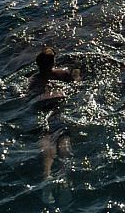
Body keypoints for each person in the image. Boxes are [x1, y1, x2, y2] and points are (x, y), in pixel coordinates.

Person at [28, 47, 80, 192]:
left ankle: (47, 174)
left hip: (39, 104)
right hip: (56, 102)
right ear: (53, 63)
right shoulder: (62, 72)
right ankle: (63, 173)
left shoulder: (32, 79)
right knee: (62, 135)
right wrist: (76, 74)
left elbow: (28, 96)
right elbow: (75, 81)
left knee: (46, 136)